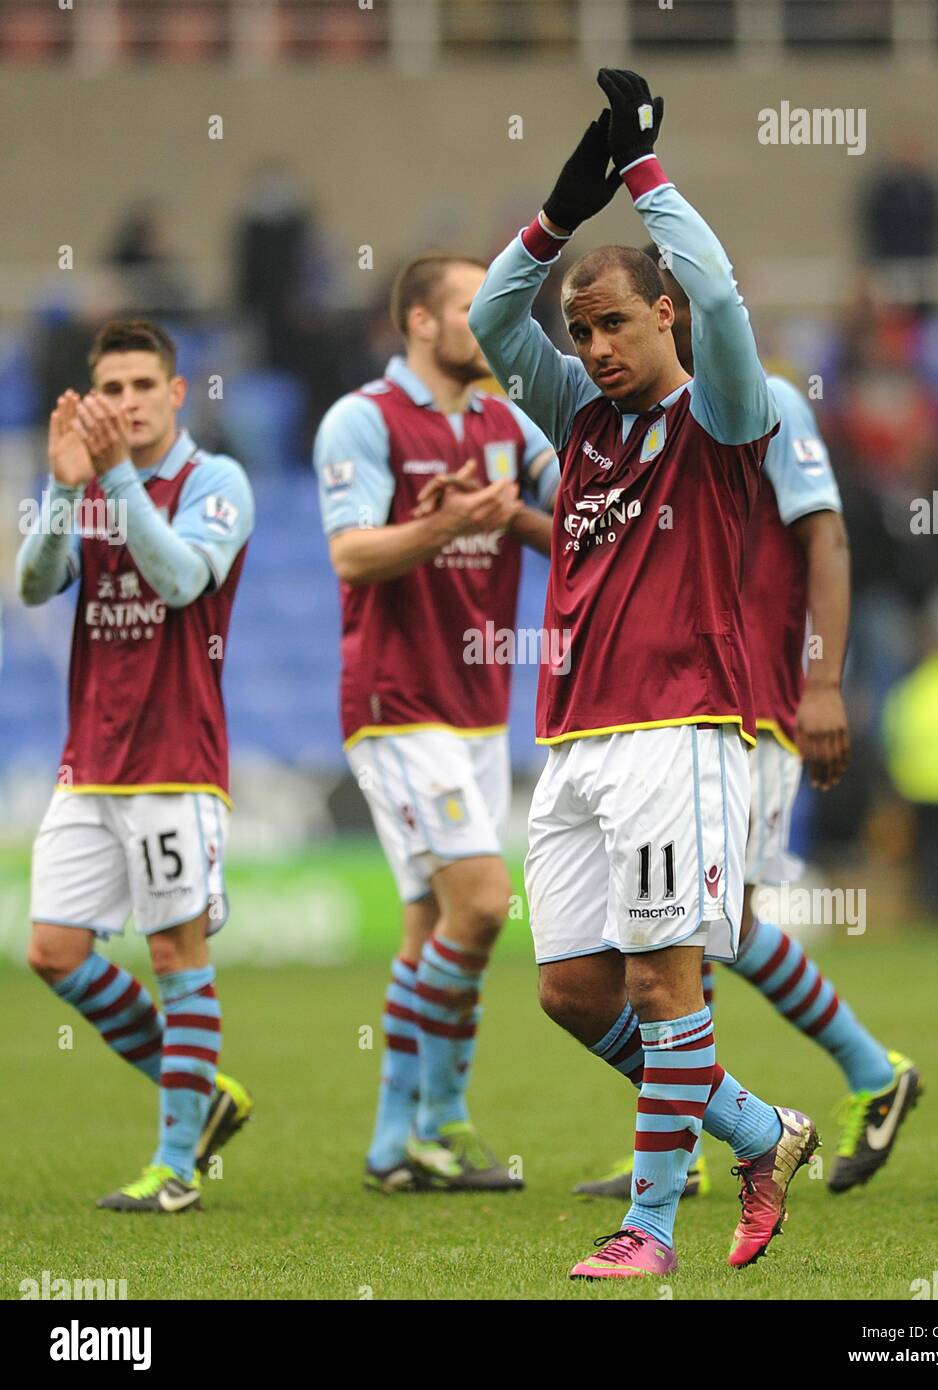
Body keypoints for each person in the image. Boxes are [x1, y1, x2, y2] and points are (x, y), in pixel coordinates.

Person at [468, 69, 817, 1279]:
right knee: (573, 989)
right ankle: (760, 1130)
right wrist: (570, 199)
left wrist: (649, 171)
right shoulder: (577, 422)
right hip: (571, 737)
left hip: (680, 727)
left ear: (664, 318)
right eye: (581, 331)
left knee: (667, 980)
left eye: (614, 321)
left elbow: (717, 287)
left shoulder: (723, 413)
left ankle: (651, 1230)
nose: (593, 346)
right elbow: (488, 322)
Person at [575, 247, 921, 1203]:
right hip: (706, 697)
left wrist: (821, 683)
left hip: (748, 698)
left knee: (705, 929)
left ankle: (850, 1081)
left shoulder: (769, 402)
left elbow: (827, 536)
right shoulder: (651, 421)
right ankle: (797, 1102)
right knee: (706, 926)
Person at [313, 255, 558, 1194]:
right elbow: (349, 554)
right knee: (486, 904)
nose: (488, 323)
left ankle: (390, 1143)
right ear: (419, 320)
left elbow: (568, 515)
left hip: (476, 710)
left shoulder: (504, 420)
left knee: (430, 924)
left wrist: (513, 522)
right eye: (469, 307)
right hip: (395, 702)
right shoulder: (363, 419)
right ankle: (443, 1122)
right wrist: (447, 528)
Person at [17, 319, 255, 1212]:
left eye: (140, 388)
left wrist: (114, 480)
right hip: (91, 760)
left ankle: (177, 1168)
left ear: (175, 391)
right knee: (52, 949)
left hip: (175, 762)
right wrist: (59, 490)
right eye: (108, 391)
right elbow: (36, 586)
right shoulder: (86, 488)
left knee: (173, 950)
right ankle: (201, 1089)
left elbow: (184, 579)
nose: (124, 406)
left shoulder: (214, 481)